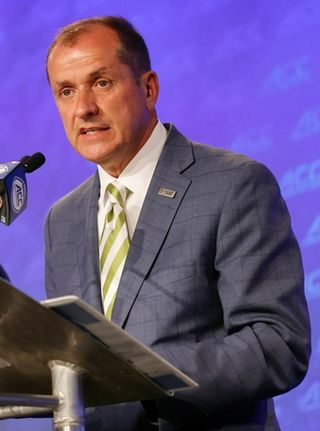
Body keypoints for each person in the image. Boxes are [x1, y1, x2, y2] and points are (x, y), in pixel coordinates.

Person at [43, 16, 311, 430]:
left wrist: (143, 375)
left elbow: (277, 345)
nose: (83, 108)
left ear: (148, 88)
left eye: (101, 83)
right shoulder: (61, 220)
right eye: (66, 91)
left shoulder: (234, 184)